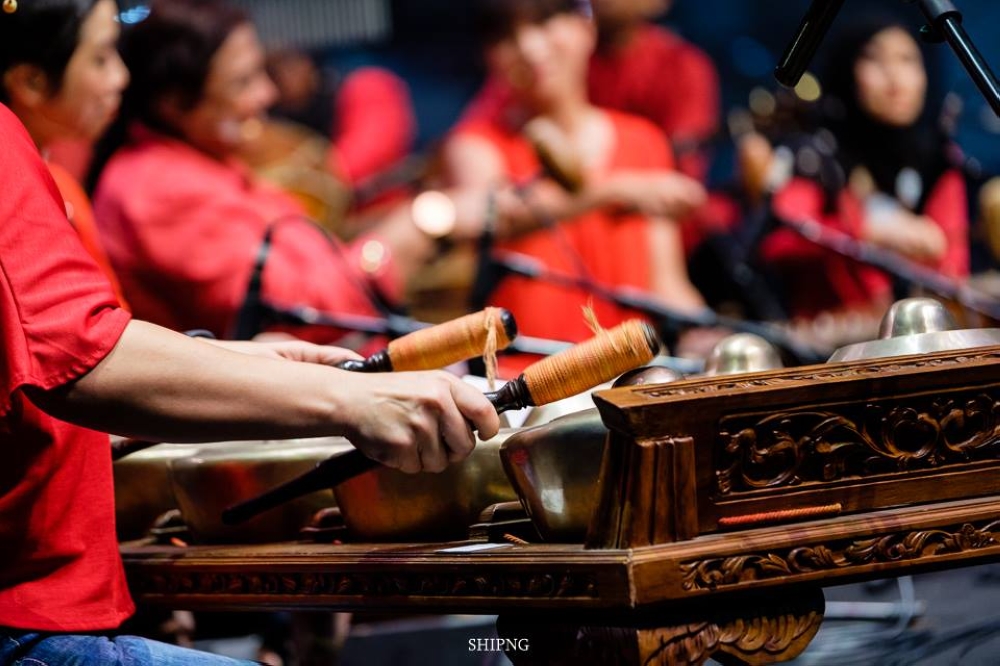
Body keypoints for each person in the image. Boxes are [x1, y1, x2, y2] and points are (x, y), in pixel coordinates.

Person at [0, 92, 500, 666]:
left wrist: (242, 360)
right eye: (241, 77)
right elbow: (78, 357)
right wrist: (352, 395)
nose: (262, 92)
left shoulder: (225, 175)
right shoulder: (151, 184)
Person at [90, 0, 482, 340]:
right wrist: (420, 225)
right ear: (174, 104)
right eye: (243, 82)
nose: (268, 93)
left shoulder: (202, 159)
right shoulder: (158, 191)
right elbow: (301, 317)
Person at [444, 0, 707, 365]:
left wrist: (716, 340)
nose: (529, 47)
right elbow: (496, 215)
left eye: (545, 20)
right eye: (505, 35)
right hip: (521, 381)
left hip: (626, 380)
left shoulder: (643, 140)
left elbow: (668, 287)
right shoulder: (476, 145)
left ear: (587, 26)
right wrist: (616, 189)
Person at [758, 10, 969, 339]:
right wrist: (865, 231)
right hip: (831, 341)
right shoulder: (816, 155)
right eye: (875, 59)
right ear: (847, 70)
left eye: (907, 60)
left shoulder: (937, 160)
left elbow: (953, 265)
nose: (895, 79)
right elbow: (779, 242)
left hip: (923, 335)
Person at [461, 0, 719, 183]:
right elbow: (479, 129)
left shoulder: (679, 66)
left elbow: (683, 170)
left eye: (543, 22)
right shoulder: (549, 61)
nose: (530, 46)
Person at [0, 0, 129, 307]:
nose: (121, 77)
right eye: (100, 59)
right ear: (31, 82)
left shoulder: (63, 183)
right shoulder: (14, 206)